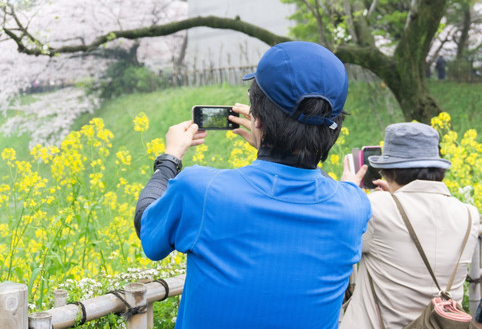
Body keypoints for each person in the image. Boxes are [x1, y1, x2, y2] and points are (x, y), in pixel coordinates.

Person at [134, 41, 372, 328]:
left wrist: (169, 160)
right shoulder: (354, 206)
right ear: (335, 127)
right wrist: (277, 148)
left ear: (257, 120)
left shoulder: (201, 189)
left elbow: (148, 231)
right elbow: (314, 185)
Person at [340, 122, 479, 328]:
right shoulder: (469, 214)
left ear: (388, 171)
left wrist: (349, 190)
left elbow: (338, 235)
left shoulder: (375, 208)